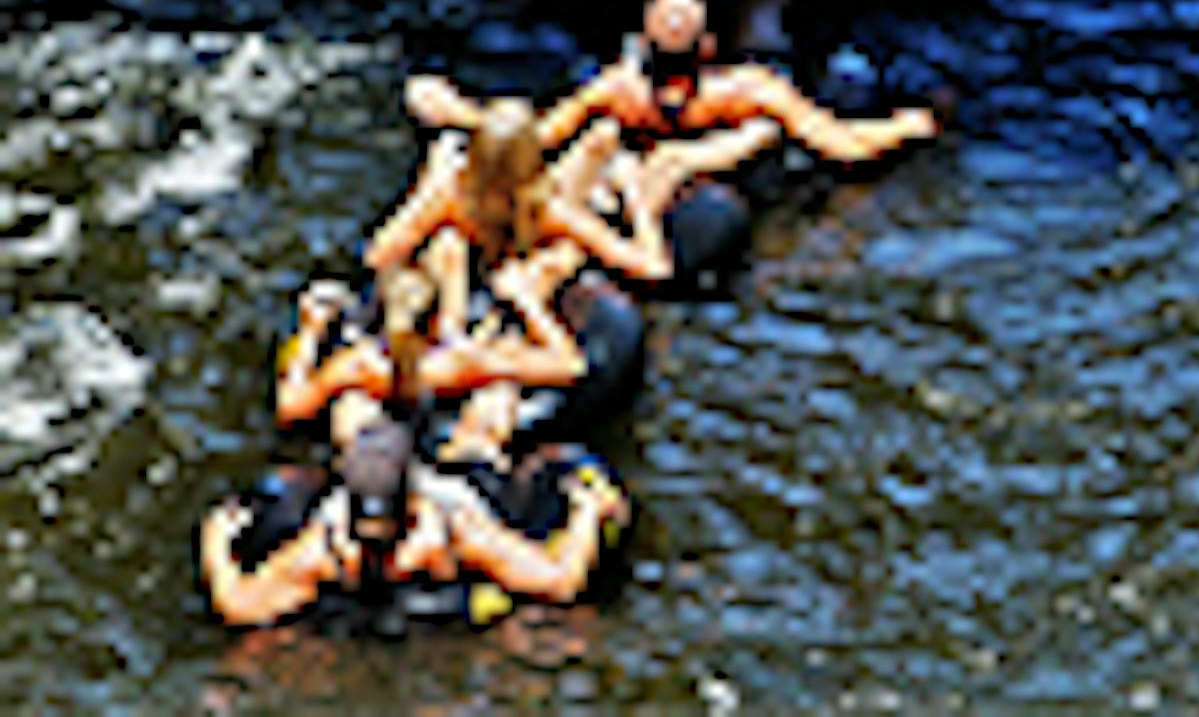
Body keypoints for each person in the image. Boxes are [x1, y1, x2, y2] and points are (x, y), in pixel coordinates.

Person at [200, 392, 630, 629]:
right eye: (366, 530)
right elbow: (241, 605)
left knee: (484, 427)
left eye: (384, 528)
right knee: (351, 408)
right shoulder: (326, 545)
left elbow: (558, 582)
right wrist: (217, 541)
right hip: (406, 495)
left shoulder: (454, 525)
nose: (374, 541)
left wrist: (585, 513)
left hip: (468, 487)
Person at [406, 0, 937, 163]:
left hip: (663, 135)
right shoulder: (748, 89)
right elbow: (841, 143)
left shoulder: (616, 90)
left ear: (640, 47)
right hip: (722, 128)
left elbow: (535, 138)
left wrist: (462, 113)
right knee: (767, 11)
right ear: (708, 49)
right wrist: (908, 125)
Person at [365, 99, 778, 287]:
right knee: (608, 142)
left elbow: (378, 255)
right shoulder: (552, 210)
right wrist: (638, 202)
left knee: (600, 139)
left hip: (492, 247)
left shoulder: (452, 198)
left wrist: (426, 185)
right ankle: (612, 176)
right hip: (530, 250)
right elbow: (653, 268)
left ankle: (602, 164)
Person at [275, 243, 588, 429]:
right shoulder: (463, 363)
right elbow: (570, 365)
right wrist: (527, 302)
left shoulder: (359, 366)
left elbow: (290, 405)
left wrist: (310, 332)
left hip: (396, 399)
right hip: (441, 395)